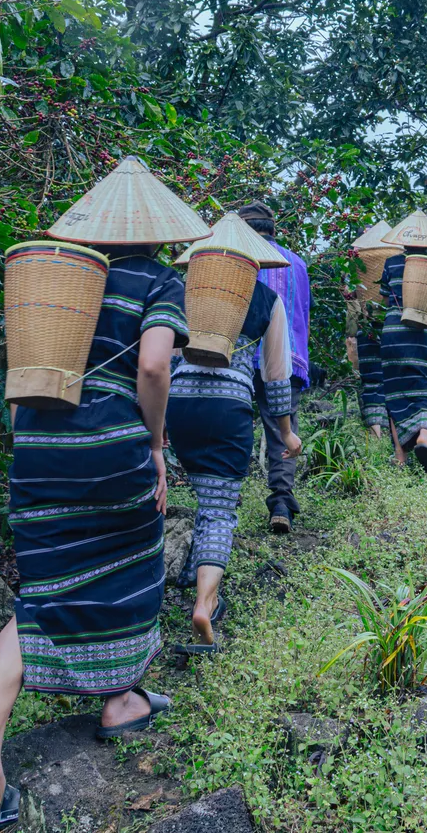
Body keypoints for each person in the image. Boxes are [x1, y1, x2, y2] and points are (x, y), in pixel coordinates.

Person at [0, 156, 209, 833]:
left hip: (39, 449)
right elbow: (152, 364)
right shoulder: (157, 280)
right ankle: (120, 702)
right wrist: (153, 445)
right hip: (111, 447)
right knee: (134, 568)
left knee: (42, 595)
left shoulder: (58, 281)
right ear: (161, 235)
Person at [167, 214, 303, 652]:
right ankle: (205, 604)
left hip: (180, 404)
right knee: (219, 507)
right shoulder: (266, 299)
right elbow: (276, 375)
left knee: (197, 498)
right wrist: (285, 432)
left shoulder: (185, 292)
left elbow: (165, 359)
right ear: (254, 262)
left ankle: (180, 575)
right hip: (230, 408)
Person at [236, 202, 310, 534]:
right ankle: (281, 502)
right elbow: (302, 316)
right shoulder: (297, 263)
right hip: (287, 357)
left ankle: (226, 497)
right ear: (272, 229)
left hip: (240, 355)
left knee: (234, 423)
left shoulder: (237, 261)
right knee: (283, 430)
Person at [378, 209, 427, 472]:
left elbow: (385, 299)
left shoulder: (392, 263)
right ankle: (423, 437)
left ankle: (400, 455)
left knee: (395, 392)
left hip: (393, 333)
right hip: (422, 333)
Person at [348, 220, 394, 438]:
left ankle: (377, 433)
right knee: (391, 379)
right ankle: (395, 433)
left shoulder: (353, 264)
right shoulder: (393, 260)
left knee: (372, 380)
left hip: (366, 328)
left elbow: (351, 304)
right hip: (392, 326)